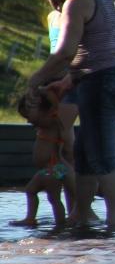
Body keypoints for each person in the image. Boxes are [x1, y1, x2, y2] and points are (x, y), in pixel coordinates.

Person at [27, 0, 115, 229]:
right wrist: (66, 82)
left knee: (102, 156)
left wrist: (35, 79)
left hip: (102, 81)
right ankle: (81, 215)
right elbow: (97, 48)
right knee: (86, 155)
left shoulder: (76, 3)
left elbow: (65, 52)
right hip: (112, 77)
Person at [10, 86, 72, 227]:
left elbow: (56, 104)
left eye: (30, 118)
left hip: (54, 168)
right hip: (48, 169)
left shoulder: (53, 123)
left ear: (48, 112)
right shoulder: (42, 126)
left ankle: (60, 223)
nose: (29, 122)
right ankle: (33, 218)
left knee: (52, 197)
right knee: (35, 192)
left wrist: (43, 92)